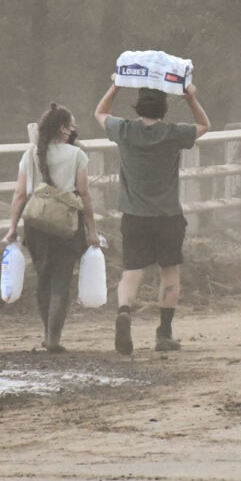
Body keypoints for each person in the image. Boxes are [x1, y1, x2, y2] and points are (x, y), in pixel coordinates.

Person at [94, 80, 209, 354]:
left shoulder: (123, 130)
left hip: (134, 215)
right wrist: (191, 98)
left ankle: (124, 312)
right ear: (164, 108)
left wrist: (115, 86)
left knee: (132, 271)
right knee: (169, 273)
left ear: (138, 106)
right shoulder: (172, 133)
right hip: (168, 214)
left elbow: (99, 113)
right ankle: (164, 333)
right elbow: (204, 125)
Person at [2, 104, 98, 354]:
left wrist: (12, 227)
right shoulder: (76, 155)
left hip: (36, 223)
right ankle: (54, 338)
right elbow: (84, 194)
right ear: (64, 128)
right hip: (66, 222)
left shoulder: (30, 153)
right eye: (72, 125)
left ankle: (46, 334)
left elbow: (20, 193)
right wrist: (92, 229)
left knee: (43, 277)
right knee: (62, 279)